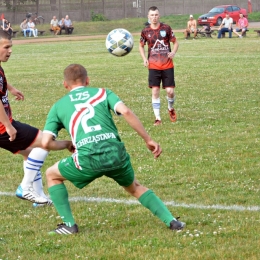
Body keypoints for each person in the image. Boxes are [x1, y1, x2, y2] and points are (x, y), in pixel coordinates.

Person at [41, 64, 185, 235]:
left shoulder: (58, 106)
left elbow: (46, 143)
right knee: (135, 187)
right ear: (87, 81)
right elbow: (126, 112)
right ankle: (172, 222)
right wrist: (148, 139)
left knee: (51, 175)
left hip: (88, 158)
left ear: (65, 85)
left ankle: (69, 225)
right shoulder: (103, 93)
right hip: (115, 154)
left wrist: (66, 144)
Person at [0, 30, 73, 206]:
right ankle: (25, 187)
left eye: (11, 47)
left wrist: (11, 88)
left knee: (32, 154)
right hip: (2, 127)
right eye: (6, 47)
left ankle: (38, 197)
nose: (10, 51)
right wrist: (8, 125)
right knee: (45, 142)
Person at [139, 6, 179, 126]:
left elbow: (175, 42)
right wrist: (144, 59)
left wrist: (173, 52)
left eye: (156, 15)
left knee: (170, 91)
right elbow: (141, 45)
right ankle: (158, 118)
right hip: (154, 66)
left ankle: (170, 108)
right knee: (155, 90)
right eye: (152, 15)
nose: (154, 17)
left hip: (167, 65)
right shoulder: (145, 31)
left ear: (159, 16)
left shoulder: (166, 28)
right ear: (148, 17)